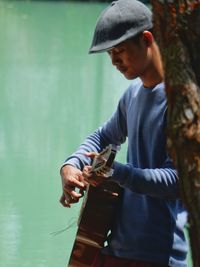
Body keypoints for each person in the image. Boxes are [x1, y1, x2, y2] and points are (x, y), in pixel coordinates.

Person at [59, 0, 188, 266]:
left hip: (157, 254)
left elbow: (178, 181)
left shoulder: (181, 102)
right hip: (114, 246)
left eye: (119, 50)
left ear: (147, 39)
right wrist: (72, 165)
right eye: (109, 54)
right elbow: (102, 137)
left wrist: (117, 173)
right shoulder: (132, 95)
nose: (114, 61)